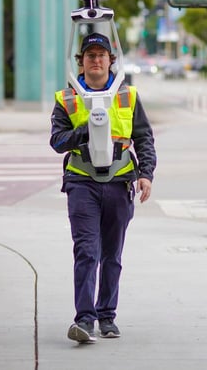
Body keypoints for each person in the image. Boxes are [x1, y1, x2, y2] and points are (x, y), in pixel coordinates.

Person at [50, 32, 156, 344]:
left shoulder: (128, 97)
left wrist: (146, 174)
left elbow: (144, 138)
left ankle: (107, 315)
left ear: (111, 61)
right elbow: (57, 142)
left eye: (101, 55)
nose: (96, 60)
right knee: (86, 251)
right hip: (82, 183)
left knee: (112, 254)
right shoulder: (66, 100)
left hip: (119, 182)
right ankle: (85, 320)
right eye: (90, 56)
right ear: (79, 63)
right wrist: (82, 132)